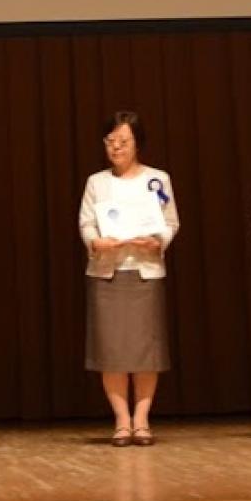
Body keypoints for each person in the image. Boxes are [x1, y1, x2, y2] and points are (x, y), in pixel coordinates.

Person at [78, 111, 177, 446]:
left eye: (123, 141)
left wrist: (158, 241)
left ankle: (142, 419)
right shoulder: (97, 182)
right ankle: (121, 420)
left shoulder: (157, 179)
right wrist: (96, 242)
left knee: (146, 350)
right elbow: (87, 223)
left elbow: (170, 222)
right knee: (112, 350)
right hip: (108, 272)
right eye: (110, 141)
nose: (116, 147)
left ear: (138, 143)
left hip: (145, 270)